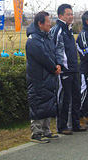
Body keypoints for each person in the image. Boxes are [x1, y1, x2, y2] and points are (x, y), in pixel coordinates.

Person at [50, 4, 87, 134]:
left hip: (73, 69)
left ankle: (75, 124)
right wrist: (59, 65)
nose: (71, 16)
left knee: (76, 98)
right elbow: (54, 50)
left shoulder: (69, 29)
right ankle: (62, 126)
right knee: (64, 99)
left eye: (72, 14)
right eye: (68, 14)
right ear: (60, 16)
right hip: (63, 71)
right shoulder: (57, 30)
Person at [26, 11, 61, 143]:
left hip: (49, 76)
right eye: (47, 22)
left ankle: (46, 130)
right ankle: (36, 132)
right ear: (40, 24)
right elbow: (43, 57)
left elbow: (53, 52)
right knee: (38, 103)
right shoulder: (33, 39)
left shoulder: (47, 37)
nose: (50, 24)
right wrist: (54, 68)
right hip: (38, 78)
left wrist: (57, 65)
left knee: (49, 102)